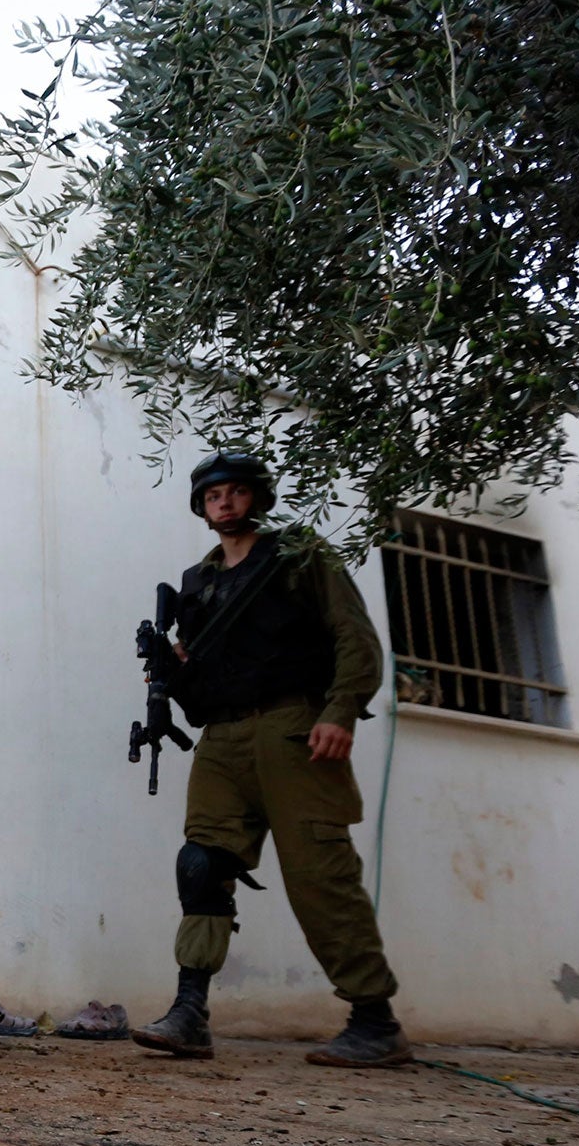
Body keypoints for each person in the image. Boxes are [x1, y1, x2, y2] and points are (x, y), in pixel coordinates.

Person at [131, 451, 410, 1069]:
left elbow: (353, 636)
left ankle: (374, 1019)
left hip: (295, 727)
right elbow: (198, 685)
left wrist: (339, 711)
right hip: (223, 741)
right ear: (201, 508)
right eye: (211, 496)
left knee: (319, 874)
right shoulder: (197, 583)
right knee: (201, 863)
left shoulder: (299, 556)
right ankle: (190, 1012)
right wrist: (169, 669)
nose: (223, 504)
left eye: (234, 492)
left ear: (256, 496)